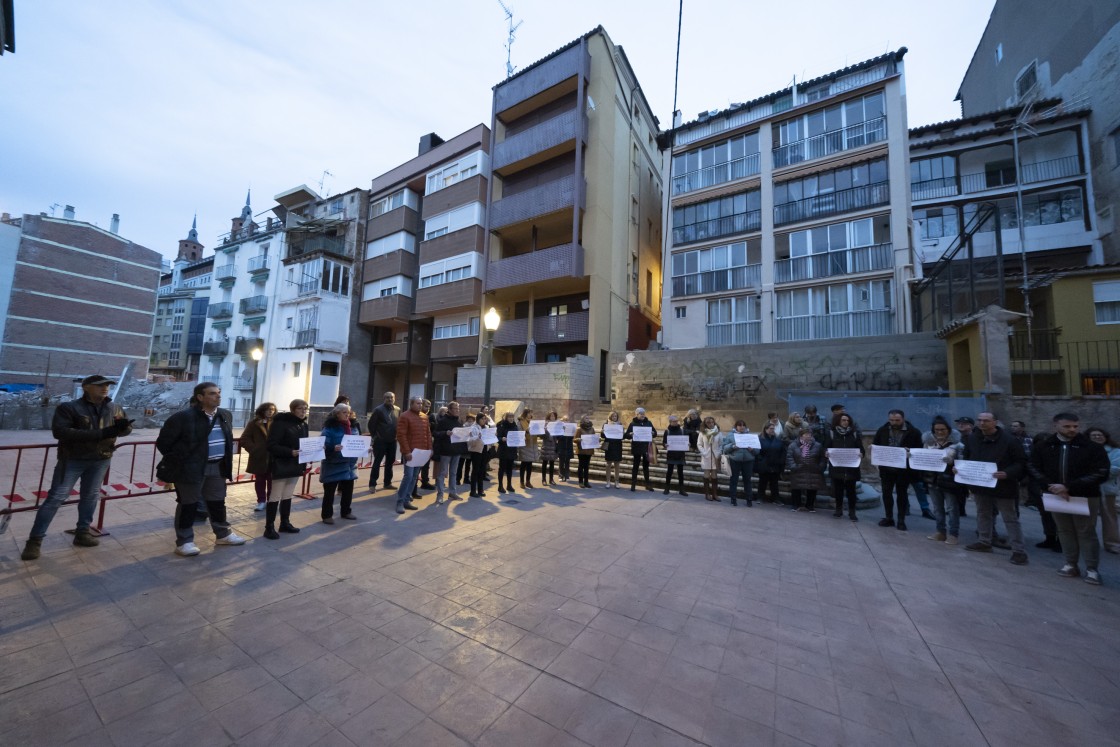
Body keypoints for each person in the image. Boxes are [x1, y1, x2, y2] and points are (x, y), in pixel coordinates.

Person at [20, 374, 134, 561]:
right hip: (73, 459)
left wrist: (123, 428)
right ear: (86, 387)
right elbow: (61, 432)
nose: (105, 388)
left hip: (101, 458)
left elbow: (125, 430)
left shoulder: (114, 408)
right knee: (56, 497)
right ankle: (34, 541)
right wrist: (102, 433)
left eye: (107, 385)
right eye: (99, 385)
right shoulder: (70, 408)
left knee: (90, 496)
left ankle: (83, 532)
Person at [154, 382, 246, 556]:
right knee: (189, 504)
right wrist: (184, 460)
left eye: (218, 393)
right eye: (212, 394)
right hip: (191, 468)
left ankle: (223, 534)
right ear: (200, 397)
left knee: (217, 502)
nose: (218, 396)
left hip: (218, 466)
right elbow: (164, 443)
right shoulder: (182, 417)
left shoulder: (225, 415)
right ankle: (185, 541)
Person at [1029, 413, 1110, 583]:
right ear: (1056, 426)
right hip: (1055, 495)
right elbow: (1034, 467)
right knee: (1064, 530)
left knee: (1086, 532)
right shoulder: (1044, 446)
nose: (1072, 429)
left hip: (1085, 496)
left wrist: (1069, 486)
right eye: (1067, 426)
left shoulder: (1092, 447)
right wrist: (1051, 486)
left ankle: (1092, 569)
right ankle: (1070, 564)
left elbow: (1101, 472)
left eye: (1075, 426)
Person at [962, 412, 1029, 565]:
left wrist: (1007, 473)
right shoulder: (972, 439)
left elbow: (1021, 462)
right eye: (979, 420)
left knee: (1010, 518)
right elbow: (967, 458)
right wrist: (961, 469)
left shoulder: (1010, 440)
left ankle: (1018, 550)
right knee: (983, 513)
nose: (982, 423)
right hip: (981, 483)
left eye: (986, 420)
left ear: (995, 422)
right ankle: (984, 541)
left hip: (1004, 485)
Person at [264, 399, 309, 538]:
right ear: (293, 409)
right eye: (300, 409)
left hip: (296, 464)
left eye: (305, 409)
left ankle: (285, 523)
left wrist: (316, 449)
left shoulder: (303, 425)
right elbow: (271, 445)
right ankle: (269, 527)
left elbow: (305, 444)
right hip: (282, 463)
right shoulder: (280, 423)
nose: (303, 411)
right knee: (275, 495)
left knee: (288, 494)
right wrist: (290, 452)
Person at [872, 409, 922, 530]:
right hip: (886, 468)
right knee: (887, 493)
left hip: (903, 470)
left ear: (903, 419)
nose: (894, 422)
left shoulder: (914, 432)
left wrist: (909, 452)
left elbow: (919, 448)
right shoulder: (882, 430)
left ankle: (901, 519)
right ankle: (889, 517)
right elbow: (876, 444)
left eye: (897, 420)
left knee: (902, 494)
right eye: (891, 420)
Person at [920, 416, 963, 543]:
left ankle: (953, 534)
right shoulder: (928, 444)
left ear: (948, 430)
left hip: (949, 481)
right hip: (932, 479)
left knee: (951, 508)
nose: (939, 432)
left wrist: (953, 462)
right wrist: (912, 456)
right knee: (937, 508)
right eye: (936, 429)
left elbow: (964, 462)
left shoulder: (958, 445)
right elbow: (922, 458)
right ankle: (940, 532)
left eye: (942, 429)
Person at [320, 403, 358, 524]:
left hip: (349, 465)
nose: (347, 415)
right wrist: (332, 447)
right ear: (337, 414)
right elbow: (323, 445)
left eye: (348, 412)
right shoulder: (329, 428)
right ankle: (327, 515)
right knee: (329, 492)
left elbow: (357, 442)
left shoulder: (353, 426)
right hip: (333, 464)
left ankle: (346, 511)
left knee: (348, 490)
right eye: (344, 412)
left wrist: (365, 449)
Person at [395, 396, 432, 513]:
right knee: (408, 477)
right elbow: (401, 435)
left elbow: (428, 434)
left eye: (421, 403)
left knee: (414, 477)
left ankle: (407, 500)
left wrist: (430, 449)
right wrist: (406, 451)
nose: (420, 405)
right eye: (418, 403)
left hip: (421, 453)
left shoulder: (425, 417)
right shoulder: (405, 416)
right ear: (411, 404)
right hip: (411, 453)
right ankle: (400, 501)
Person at [1087, 427, 1120, 555]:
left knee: (1109, 518)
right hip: (1088, 489)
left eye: (1099, 435)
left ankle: (1112, 544)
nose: (1097, 437)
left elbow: (1116, 468)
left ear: (1105, 437)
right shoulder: (1084, 451)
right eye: (1093, 435)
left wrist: (1094, 476)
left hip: (1107, 489)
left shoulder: (1115, 452)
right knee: (1088, 518)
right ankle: (1089, 543)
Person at [239, 401, 275, 512]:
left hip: (274, 457)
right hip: (259, 457)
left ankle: (271, 501)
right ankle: (261, 501)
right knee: (260, 480)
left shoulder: (276, 422)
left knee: (272, 480)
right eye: (268, 409)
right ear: (262, 410)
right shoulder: (254, 423)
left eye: (273, 409)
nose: (271, 411)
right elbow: (244, 438)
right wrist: (254, 449)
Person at [826, 413, 863, 521]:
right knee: (838, 491)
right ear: (838, 421)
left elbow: (861, 448)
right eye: (843, 420)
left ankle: (852, 512)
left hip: (851, 468)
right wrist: (826, 453)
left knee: (851, 492)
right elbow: (826, 447)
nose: (845, 422)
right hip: (837, 467)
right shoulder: (832, 434)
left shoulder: (854, 434)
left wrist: (861, 454)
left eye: (847, 420)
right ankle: (838, 509)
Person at [433, 401, 466, 504]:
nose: (457, 410)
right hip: (445, 451)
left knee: (453, 473)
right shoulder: (443, 421)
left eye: (458, 408)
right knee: (442, 473)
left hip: (456, 451)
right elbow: (435, 433)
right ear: (450, 410)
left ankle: (452, 492)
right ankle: (440, 494)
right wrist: (445, 433)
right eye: (455, 409)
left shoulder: (459, 421)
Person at [787, 428, 825, 512]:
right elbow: (789, 457)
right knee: (796, 488)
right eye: (806, 434)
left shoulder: (818, 445)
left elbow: (822, 458)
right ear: (801, 436)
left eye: (810, 435)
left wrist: (820, 467)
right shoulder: (793, 445)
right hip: (798, 470)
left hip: (813, 470)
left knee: (812, 488)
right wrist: (794, 466)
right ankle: (796, 504)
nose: (809, 436)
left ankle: (810, 505)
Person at [368, 391, 399, 491]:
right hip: (380, 441)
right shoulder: (378, 410)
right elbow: (371, 425)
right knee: (377, 463)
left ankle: (387, 483)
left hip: (392, 441)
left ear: (394, 398)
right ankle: (372, 484)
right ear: (384, 399)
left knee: (390, 462)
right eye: (387, 397)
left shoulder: (397, 409)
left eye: (392, 397)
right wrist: (376, 436)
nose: (390, 399)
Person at [721, 420, 757, 506]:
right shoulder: (730, 435)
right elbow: (724, 448)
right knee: (734, 480)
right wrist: (732, 446)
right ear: (736, 427)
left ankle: (749, 499)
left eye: (743, 425)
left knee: (747, 481)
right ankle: (733, 498)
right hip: (735, 460)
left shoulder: (750, 436)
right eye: (740, 425)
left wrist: (752, 450)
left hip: (748, 461)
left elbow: (757, 451)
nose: (742, 427)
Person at [624, 407, 657, 492]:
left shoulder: (648, 423)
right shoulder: (632, 424)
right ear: (637, 414)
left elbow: (655, 433)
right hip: (637, 447)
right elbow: (626, 435)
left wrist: (653, 433)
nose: (642, 415)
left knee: (646, 466)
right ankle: (633, 484)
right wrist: (630, 434)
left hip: (646, 447)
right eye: (641, 414)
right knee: (636, 466)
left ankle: (647, 484)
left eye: (643, 413)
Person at [755, 423, 785, 505]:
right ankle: (760, 497)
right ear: (765, 429)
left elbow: (782, 451)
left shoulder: (778, 440)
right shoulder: (760, 439)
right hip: (764, 464)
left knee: (774, 483)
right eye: (771, 429)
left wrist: (780, 462)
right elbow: (757, 453)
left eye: (773, 429)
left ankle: (775, 498)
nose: (772, 430)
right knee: (762, 482)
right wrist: (761, 461)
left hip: (775, 464)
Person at [697, 416, 722, 502]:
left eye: (712, 422)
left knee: (714, 476)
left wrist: (719, 452)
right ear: (705, 424)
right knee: (707, 475)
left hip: (715, 456)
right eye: (708, 422)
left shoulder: (718, 432)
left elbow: (721, 444)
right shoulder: (702, 433)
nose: (711, 424)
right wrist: (704, 452)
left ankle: (715, 494)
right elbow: (699, 444)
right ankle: (707, 494)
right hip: (706, 456)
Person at [953, 416, 975, 518]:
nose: (960, 425)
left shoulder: (975, 438)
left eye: (963, 424)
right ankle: (957, 509)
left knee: (963, 490)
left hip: (970, 467)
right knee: (957, 489)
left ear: (970, 426)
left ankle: (960, 509)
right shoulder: (955, 437)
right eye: (959, 423)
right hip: (956, 466)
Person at [467, 413, 493, 498]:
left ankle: (480, 490)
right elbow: (470, 441)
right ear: (478, 419)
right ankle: (473, 491)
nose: (484, 420)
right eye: (482, 419)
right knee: (475, 470)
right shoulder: (473, 428)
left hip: (484, 450)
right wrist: (478, 437)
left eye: (485, 419)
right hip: (476, 450)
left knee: (482, 470)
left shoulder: (486, 427)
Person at [662, 414, 688, 496]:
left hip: (680, 454)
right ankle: (667, 488)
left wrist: (688, 444)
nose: (676, 423)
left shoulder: (682, 431)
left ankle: (681, 489)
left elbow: (686, 441)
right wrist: (665, 445)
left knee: (680, 472)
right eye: (674, 421)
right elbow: (664, 442)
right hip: (671, 454)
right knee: (669, 472)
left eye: (676, 421)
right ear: (670, 422)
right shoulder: (667, 431)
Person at [496, 411, 519, 495]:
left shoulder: (515, 426)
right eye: (509, 417)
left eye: (512, 417)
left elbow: (517, 436)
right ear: (506, 418)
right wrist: (501, 439)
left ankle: (509, 485)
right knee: (502, 468)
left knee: (510, 468)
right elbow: (497, 437)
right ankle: (500, 485)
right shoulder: (501, 425)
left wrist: (520, 439)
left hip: (512, 450)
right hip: (503, 449)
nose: (511, 418)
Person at [517, 408, 539, 490]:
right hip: (525, 445)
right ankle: (521, 482)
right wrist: (526, 431)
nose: (530, 414)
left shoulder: (533, 422)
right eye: (529, 413)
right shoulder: (520, 422)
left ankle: (528, 481)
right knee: (524, 464)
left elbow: (536, 432)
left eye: (531, 413)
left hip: (532, 445)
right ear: (525, 414)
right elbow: (519, 433)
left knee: (530, 465)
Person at [601, 410, 624, 488]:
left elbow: (622, 437)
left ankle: (617, 481)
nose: (614, 417)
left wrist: (623, 433)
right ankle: (608, 481)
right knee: (608, 464)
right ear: (610, 416)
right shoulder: (606, 424)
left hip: (617, 445)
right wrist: (602, 432)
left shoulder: (620, 424)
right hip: (609, 445)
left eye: (616, 416)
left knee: (617, 464)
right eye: (613, 416)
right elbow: (603, 436)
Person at [419, 399, 435, 491]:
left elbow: (435, 427)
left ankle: (425, 482)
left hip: (427, 442)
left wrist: (430, 424)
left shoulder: (431, 415)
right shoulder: (416, 414)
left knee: (426, 464)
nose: (428, 408)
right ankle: (412, 483)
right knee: (415, 465)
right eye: (426, 405)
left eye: (429, 406)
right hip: (417, 443)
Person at [576, 416, 597, 488]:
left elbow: (594, 438)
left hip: (589, 450)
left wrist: (598, 440)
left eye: (588, 418)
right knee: (581, 466)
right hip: (581, 450)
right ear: (582, 420)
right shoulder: (579, 429)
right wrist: (578, 440)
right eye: (586, 418)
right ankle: (580, 481)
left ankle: (586, 482)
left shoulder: (592, 429)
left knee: (587, 466)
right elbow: (574, 439)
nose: (587, 419)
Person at [540, 411, 559, 486]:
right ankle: (543, 479)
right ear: (548, 417)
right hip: (546, 446)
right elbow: (541, 436)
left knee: (552, 463)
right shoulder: (545, 424)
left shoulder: (557, 425)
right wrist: (544, 430)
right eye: (551, 416)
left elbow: (558, 437)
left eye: (554, 416)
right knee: (544, 463)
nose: (553, 417)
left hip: (553, 446)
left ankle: (551, 479)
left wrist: (562, 430)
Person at [556, 415, 574, 483]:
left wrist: (571, 432)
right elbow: (558, 438)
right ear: (562, 421)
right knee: (561, 462)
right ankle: (561, 475)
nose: (566, 421)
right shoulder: (560, 428)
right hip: (561, 447)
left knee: (567, 462)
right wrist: (563, 432)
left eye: (567, 420)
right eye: (565, 420)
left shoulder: (570, 427)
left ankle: (566, 475)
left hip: (569, 447)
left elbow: (572, 437)